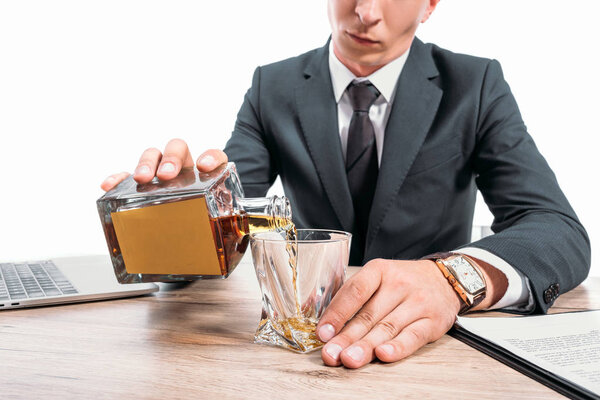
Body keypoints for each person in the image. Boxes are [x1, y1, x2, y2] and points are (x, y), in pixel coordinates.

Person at [101, 0, 590, 369]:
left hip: (431, 350)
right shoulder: (273, 86)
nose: (365, 13)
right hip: (304, 349)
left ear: (431, 4)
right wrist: (171, 212)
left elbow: (556, 227)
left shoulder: (475, 83)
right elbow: (228, 213)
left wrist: (449, 280)